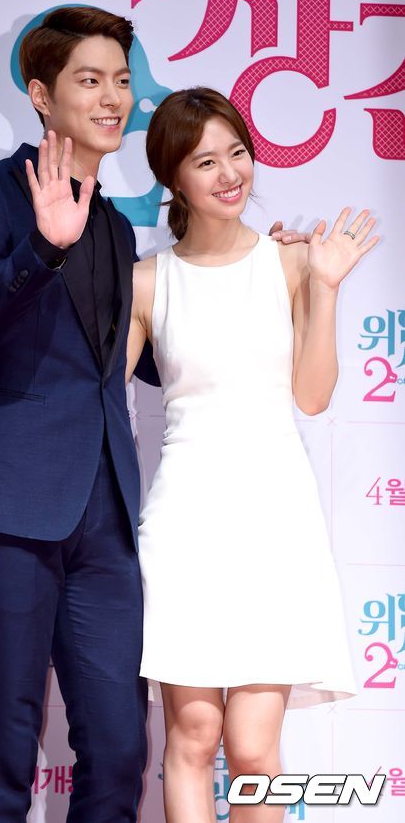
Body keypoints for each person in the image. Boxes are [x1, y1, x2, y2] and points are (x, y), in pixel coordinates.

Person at [0, 5, 319, 823]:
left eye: (120, 80)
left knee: (119, 751)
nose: (112, 97)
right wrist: (41, 247)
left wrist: (249, 278)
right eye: (90, 80)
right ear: (42, 95)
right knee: (6, 738)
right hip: (8, 504)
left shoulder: (114, 228)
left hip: (107, 521)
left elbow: (148, 359)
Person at [124, 88, 376, 823]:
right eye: (206, 161)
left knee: (255, 747)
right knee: (193, 737)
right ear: (173, 178)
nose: (230, 173)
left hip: (275, 517)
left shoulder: (290, 262)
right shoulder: (148, 281)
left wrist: (324, 287)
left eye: (237, 152)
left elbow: (313, 395)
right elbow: (93, 398)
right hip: (185, 520)